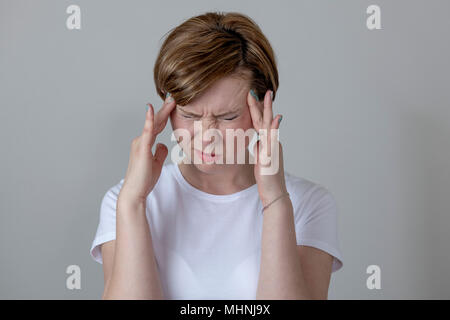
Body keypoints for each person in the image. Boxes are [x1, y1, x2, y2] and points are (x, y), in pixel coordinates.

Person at [90, 11, 343, 299]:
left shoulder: (309, 204)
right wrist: (133, 203)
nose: (207, 134)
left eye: (227, 116)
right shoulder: (122, 202)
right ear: (167, 108)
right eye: (189, 114)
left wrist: (275, 202)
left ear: (262, 109)